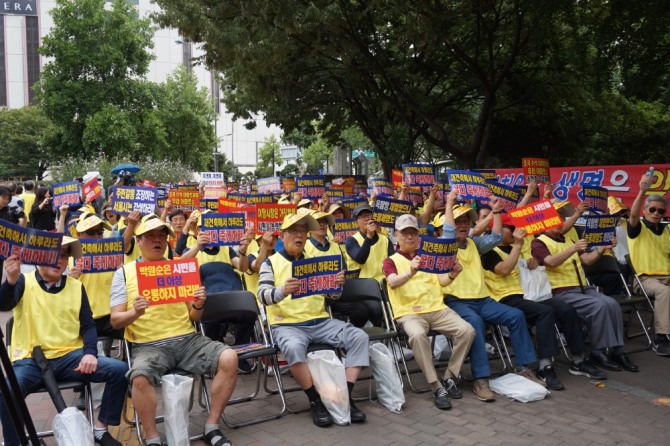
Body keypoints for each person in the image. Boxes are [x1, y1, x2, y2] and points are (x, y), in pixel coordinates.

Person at [110, 214, 238, 446]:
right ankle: (152, 438)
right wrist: (135, 313)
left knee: (229, 357)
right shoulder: (124, 273)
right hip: (148, 345)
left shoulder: (179, 269)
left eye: (162, 236)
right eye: (150, 236)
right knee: (139, 377)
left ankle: (212, 426)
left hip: (187, 340)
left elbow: (194, 316)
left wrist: (199, 304)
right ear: (138, 241)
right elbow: (116, 321)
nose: (157, 241)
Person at [0, 236, 128, 446]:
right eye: (54, 254)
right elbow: (3, 304)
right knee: (8, 391)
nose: (60, 260)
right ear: (39, 257)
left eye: (65, 255)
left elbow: (88, 326)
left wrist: (90, 353)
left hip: (70, 357)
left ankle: (100, 428)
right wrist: (10, 281)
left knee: (120, 370)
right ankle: (17, 442)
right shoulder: (24, 281)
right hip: (30, 360)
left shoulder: (77, 287)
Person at [258, 213, 369, 427]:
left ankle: (344, 396)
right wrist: (281, 291)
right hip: (287, 324)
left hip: (321, 321)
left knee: (359, 337)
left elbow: (332, 297)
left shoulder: (317, 262)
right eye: (294, 231)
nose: (299, 235)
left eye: (303, 231)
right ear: (282, 235)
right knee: (292, 347)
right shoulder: (271, 262)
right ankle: (315, 400)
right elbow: (262, 295)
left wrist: (336, 285)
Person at [481, 215, 606, 389]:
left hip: (529, 294)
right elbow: (504, 269)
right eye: (511, 227)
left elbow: (530, 263)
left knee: (566, 309)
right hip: (505, 297)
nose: (517, 230)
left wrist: (532, 261)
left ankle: (579, 360)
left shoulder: (517, 246)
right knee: (545, 312)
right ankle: (545, 365)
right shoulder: (488, 252)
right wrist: (518, 246)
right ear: (498, 230)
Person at [442, 192, 544, 401]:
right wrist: (450, 202)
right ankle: (481, 379)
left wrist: (496, 212)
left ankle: (524, 367)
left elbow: (496, 237)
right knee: (476, 323)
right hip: (457, 301)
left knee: (515, 315)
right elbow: (449, 230)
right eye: (458, 221)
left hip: (483, 300)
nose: (462, 225)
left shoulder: (473, 243)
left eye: (466, 221)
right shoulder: (446, 244)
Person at [383, 214, 475, 409]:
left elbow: (442, 281)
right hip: (409, 312)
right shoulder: (390, 261)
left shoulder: (429, 255)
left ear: (419, 236)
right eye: (405, 233)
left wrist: (453, 273)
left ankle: (450, 376)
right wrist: (410, 271)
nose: (409, 237)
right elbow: (392, 282)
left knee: (467, 330)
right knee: (417, 335)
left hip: (437, 308)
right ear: (396, 235)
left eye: (413, 233)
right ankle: (436, 385)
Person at [531, 210, 639, 372]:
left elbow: (587, 260)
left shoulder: (568, 239)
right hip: (560, 291)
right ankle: (598, 352)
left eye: (560, 220)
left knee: (612, 304)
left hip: (582, 288)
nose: (559, 224)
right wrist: (573, 249)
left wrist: (602, 249)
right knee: (598, 306)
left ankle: (618, 350)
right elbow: (551, 262)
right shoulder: (539, 242)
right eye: (554, 221)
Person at [180, 217, 256, 372]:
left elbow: (242, 267)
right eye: (204, 228)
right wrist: (197, 247)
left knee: (250, 314)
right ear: (199, 231)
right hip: (210, 304)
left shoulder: (226, 249)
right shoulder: (192, 251)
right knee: (209, 322)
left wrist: (242, 252)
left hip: (234, 299)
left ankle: (240, 353)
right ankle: (214, 354)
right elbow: (180, 264)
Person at [627, 171, 670, 356]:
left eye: (660, 211)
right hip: (644, 280)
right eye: (652, 209)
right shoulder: (638, 227)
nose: (656, 213)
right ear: (645, 210)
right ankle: (660, 338)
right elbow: (633, 215)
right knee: (664, 292)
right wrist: (642, 191)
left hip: (666, 276)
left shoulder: (667, 230)